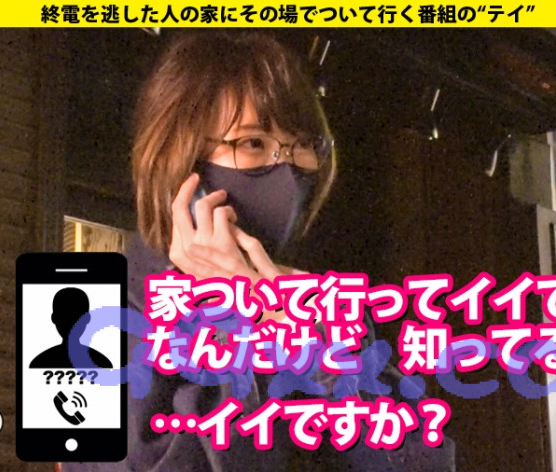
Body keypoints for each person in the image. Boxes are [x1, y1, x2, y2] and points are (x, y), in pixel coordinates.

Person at [63, 31, 455, 471]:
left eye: (304, 145)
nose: (287, 168)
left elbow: (423, 463)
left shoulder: (320, 307)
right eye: (253, 143)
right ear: (182, 164)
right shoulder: (70, 303)